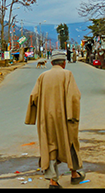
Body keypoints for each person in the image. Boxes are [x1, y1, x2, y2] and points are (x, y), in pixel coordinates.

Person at [25, 53, 85, 188]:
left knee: (49, 146)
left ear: (51, 63)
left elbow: (33, 96)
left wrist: (31, 117)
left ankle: (53, 182)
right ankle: (74, 174)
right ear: (64, 63)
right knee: (69, 143)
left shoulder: (42, 77)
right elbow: (74, 96)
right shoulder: (67, 75)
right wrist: (73, 116)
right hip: (65, 117)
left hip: (46, 119)